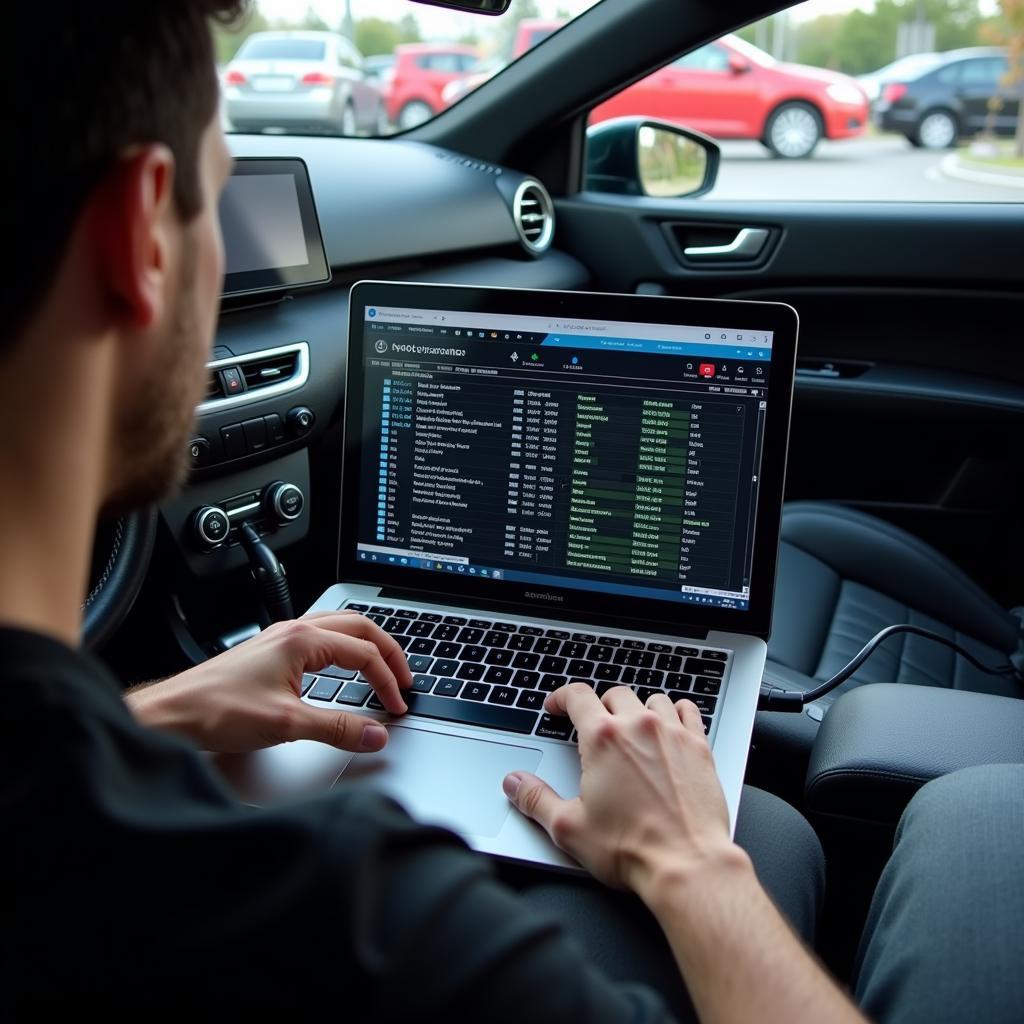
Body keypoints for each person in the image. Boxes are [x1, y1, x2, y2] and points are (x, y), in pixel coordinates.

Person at [3, 3, 1022, 1021]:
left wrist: (143, 718)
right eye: (216, 208)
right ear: (142, 234)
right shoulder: (367, 922)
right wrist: (691, 862)